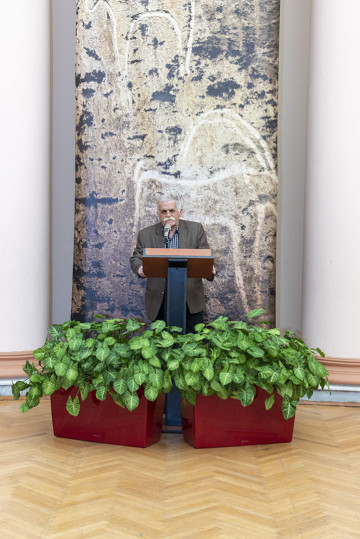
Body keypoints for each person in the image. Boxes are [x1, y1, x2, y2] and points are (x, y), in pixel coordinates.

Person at [130, 198, 214, 332]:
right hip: (160, 297)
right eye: (163, 211)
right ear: (158, 214)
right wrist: (140, 268)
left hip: (190, 296)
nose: (168, 214)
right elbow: (136, 257)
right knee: (162, 343)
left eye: (171, 210)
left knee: (194, 341)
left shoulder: (196, 229)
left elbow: (205, 254)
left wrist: (209, 267)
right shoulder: (146, 234)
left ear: (180, 212)